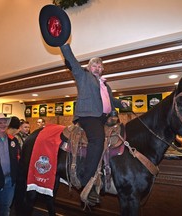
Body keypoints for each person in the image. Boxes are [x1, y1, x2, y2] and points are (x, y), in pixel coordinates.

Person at [60, 44, 130, 205]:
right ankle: (87, 181)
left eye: (100, 66)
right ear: (89, 67)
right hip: (87, 116)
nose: (97, 68)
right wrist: (63, 43)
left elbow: (110, 101)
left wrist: (121, 103)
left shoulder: (106, 85)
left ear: (102, 69)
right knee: (97, 139)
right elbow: (71, 60)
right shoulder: (83, 75)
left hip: (103, 118)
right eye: (94, 65)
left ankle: (105, 175)